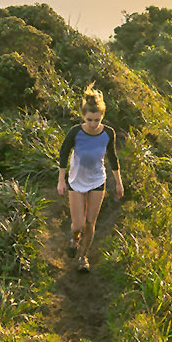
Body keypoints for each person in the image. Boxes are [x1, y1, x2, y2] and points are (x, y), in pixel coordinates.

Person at [57, 82, 123, 272]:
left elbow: (112, 157)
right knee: (77, 225)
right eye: (90, 119)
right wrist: (61, 181)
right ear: (83, 116)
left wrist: (118, 183)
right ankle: (74, 239)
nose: (93, 124)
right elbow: (63, 154)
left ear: (102, 116)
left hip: (97, 181)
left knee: (90, 223)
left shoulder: (108, 133)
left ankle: (83, 258)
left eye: (97, 120)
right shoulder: (75, 132)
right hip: (76, 181)